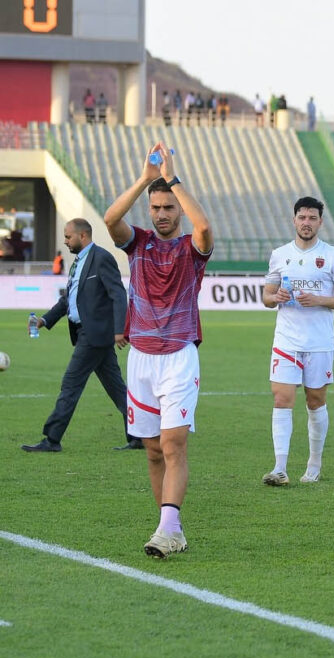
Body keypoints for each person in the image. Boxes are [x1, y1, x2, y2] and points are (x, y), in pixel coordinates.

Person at [103, 143, 213, 558]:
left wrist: (174, 177)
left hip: (179, 356)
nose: (162, 213)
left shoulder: (191, 249)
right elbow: (111, 219)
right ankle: (171, 527)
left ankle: (167, 529)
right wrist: (145, 180)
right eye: (157, 207)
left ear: (178, 209)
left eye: (169, 207)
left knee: (173, 444)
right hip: (141, 359)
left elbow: (204, 228)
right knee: (151, 450)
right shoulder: (138, 244)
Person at [21, 219, 139, 453]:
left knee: (70, 385)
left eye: (68, 237)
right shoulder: (78, 263)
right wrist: (44, 320)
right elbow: (68, 300)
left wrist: (119, 330)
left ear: (83, 236)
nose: (65, 241)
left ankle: (52, 440)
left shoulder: (102, 258)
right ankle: (140, 435)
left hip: (95, 335)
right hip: (91, 335)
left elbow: (118, 294)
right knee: (117, 388)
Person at [260, 197, 334, 486]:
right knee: (281, 398)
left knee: (315, 402)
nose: (306, 222)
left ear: (320, 222)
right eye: (302, 217)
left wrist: (319, 300)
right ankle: (280, 467)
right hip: (286, 340)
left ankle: (314, 462)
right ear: (294, 220)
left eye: (312, 218)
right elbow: (266, 297)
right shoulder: (280, 254)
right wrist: (275, 298)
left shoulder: (333, 255)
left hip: (319, 342)